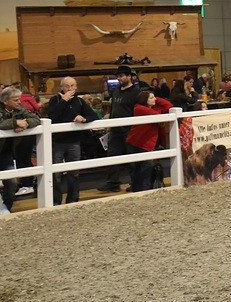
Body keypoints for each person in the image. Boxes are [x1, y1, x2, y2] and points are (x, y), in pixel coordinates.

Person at [47, 76, 100, 205]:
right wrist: (63, 101)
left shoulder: (79, 101)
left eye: (72, 86)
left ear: (76, 87)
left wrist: (83, 119)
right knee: (56, 174)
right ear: (62, 88)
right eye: (67, 86)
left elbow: (93, 115)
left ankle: (73, 199)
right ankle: (55, 200)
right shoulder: (55, 100)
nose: (70, 89)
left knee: (74, 173)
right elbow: (52, 116)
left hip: (74, 141)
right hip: (57, 141)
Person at [1, 85, 41, 215]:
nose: (20, 102)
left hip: (6, 153)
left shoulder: (19, 108)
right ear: (5, 101)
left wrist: (26, 123)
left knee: (11, 183)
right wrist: (16, 123)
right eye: (16, 100)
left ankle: (6, 208)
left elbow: (36, 119)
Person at [102, 64, 141, 192]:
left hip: (129, 128)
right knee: (112, 155)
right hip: (116, 128)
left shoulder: (136, 92)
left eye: (121, 76)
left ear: (129, 76)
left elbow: (138, 110)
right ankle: (112, 182)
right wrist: (110, 123)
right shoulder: (117, 90)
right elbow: (113, 107)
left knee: (132, 156)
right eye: (118, 76)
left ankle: (135, 182)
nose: (119, 78)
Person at [125, 90, 172, 192]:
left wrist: (156, 98)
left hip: (146, 144)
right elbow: (159, 117)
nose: (155, 99)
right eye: (151, 98)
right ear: (144, 100)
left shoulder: (153, 108)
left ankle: (142, 190)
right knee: (140, 168)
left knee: (144, 168)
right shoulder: (139, 108)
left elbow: (169, 106)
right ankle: (142, 190)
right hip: (137, 143)